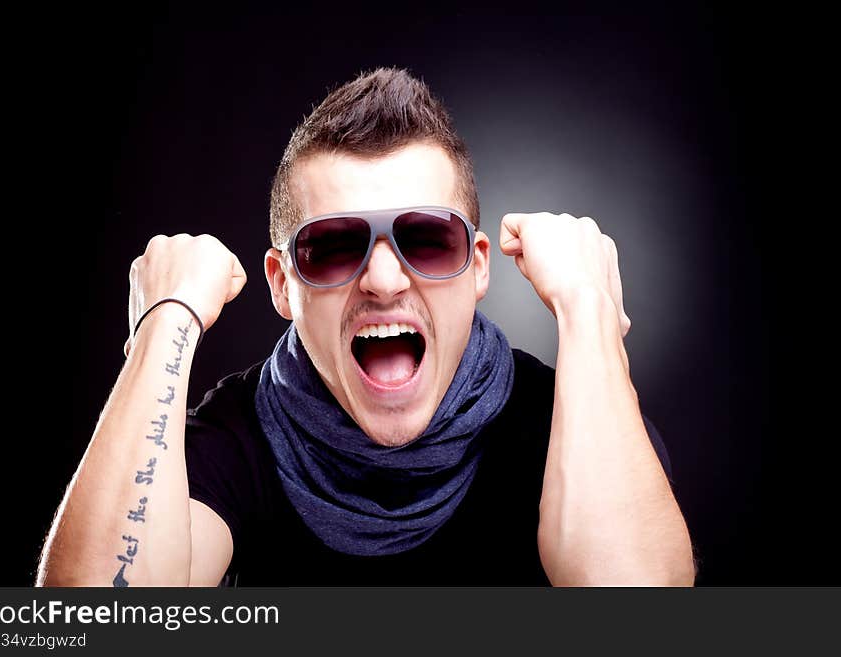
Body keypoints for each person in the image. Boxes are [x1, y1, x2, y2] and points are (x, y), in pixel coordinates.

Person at [37, 67, 694, 587]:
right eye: (332, 247)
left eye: (429, 240)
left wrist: (589, 310)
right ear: (281, 283)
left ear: (476, 268)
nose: (383, 280)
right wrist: (164, 323)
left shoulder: (569, 419)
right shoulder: (236, 438)